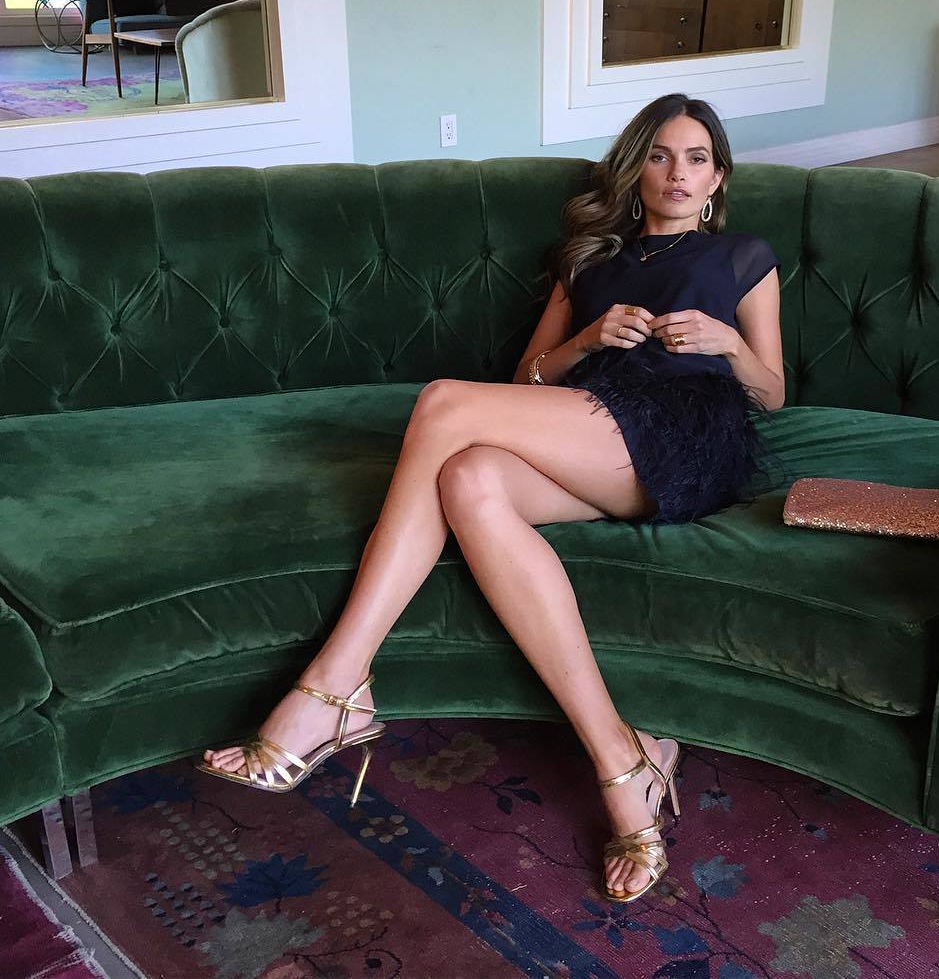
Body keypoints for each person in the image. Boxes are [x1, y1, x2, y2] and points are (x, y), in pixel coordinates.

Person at [200, 92, 784, 904]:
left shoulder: (743, 257)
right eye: (659, 156)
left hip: (688, 434)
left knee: (444, 403)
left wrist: (727, 344)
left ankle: (335, 684)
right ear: (635, 169)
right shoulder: (587, 261)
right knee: (467, 477)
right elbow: (527, 380)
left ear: (717, 178)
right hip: (594, 432)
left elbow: (772, 392)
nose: (676, 174)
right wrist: (587, 338)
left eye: (695, 159)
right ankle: (624, 758)